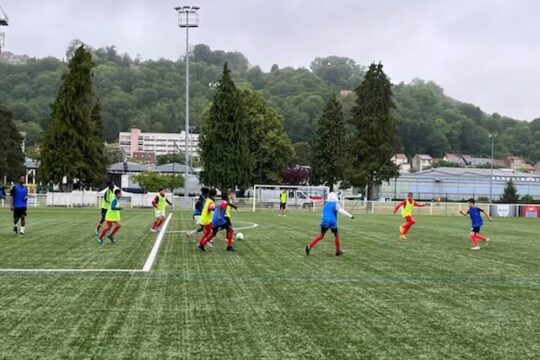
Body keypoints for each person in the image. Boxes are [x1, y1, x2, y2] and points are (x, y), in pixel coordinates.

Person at [305, 192, 353, 256]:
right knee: (336, 235)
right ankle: (338, 251)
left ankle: (309, 246)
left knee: (321, 235)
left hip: (324, 221)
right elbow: (341, 211)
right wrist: (350, 215)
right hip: (332, 221)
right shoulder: (335, 204)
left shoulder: (326, 204)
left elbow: (322, 215)